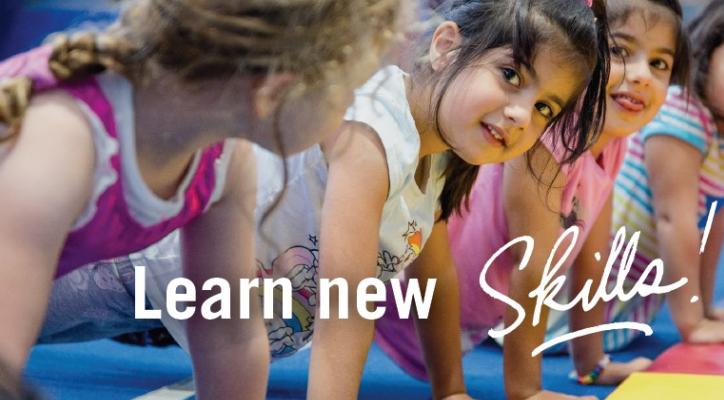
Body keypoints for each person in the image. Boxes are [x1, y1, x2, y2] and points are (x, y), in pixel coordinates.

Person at [42, 0, 609, 398]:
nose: (520, 114)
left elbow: (434, 279)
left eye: (544, 109)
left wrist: (451, 391)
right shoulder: (374, 130)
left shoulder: (440, 157)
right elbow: (345, 306)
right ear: (444, 46)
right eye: (511, 75)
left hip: (177, 316)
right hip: (129, 268)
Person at [0, 0, 404, 398]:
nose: (350, 109)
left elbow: (228, 334)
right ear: (276, 91)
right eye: (351, 91)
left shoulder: (225, 158)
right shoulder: (65, 143)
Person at [375, 0, 688, 397]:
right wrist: (525, 390)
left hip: (462, 313)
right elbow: (530, 267)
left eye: (660, 64)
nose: (642, 75)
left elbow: (592, 257)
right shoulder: (548, 142)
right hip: (405, 298)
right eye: (620, 51)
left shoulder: (612, 142)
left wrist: (592, 367)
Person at [562, 0, 724, 353]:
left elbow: (713, 220)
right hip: (576, 299)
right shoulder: (681, 113)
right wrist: (693, 323)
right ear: (705, 57)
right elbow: (674, 220)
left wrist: (706, 308)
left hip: (617, 298)